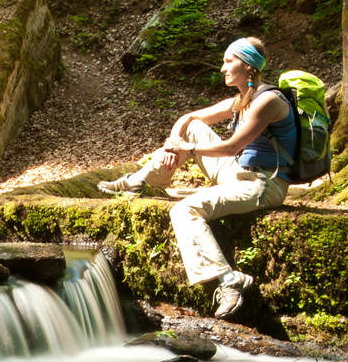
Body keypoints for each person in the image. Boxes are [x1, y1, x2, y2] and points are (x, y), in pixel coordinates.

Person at [98, 37, 295, 320]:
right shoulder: (243, 99)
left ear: (248, 66)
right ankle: (138, 180)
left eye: (229, 61)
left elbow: (231, 147)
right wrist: (175, 142)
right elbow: (190, 118)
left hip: (264, 185)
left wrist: (185, 149)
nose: (222, 68)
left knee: (184, 209)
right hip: (238, 174)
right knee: (194, 130)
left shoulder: (268, 101)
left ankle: (229, 281)